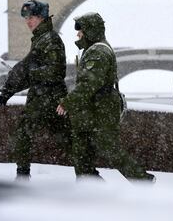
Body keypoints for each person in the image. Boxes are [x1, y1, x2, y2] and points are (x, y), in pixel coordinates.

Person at [56, 12, 154, 181]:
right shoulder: (92, 49)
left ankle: (142, 180)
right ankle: (91, 186)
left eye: (81, 30)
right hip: (91, 110)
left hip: (99, 111)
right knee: (81, 153)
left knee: (108, 149)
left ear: (91, 31)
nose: (78, 34)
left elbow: (89, 84)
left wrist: (67, 103)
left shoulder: (98, 52)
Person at [0, 0, 71, 179]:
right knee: (67, 140)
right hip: (46, 99)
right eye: (27, 18)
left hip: (47, 100)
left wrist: (29, 75)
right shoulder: (41, 39)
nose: (29, 21)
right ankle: (89, 174)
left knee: (24, 135)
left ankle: (23, 175)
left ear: (43, 18)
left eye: (33, 17)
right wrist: (8, 90)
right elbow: (25, 69)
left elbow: (55, 71)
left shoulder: (50, 40)